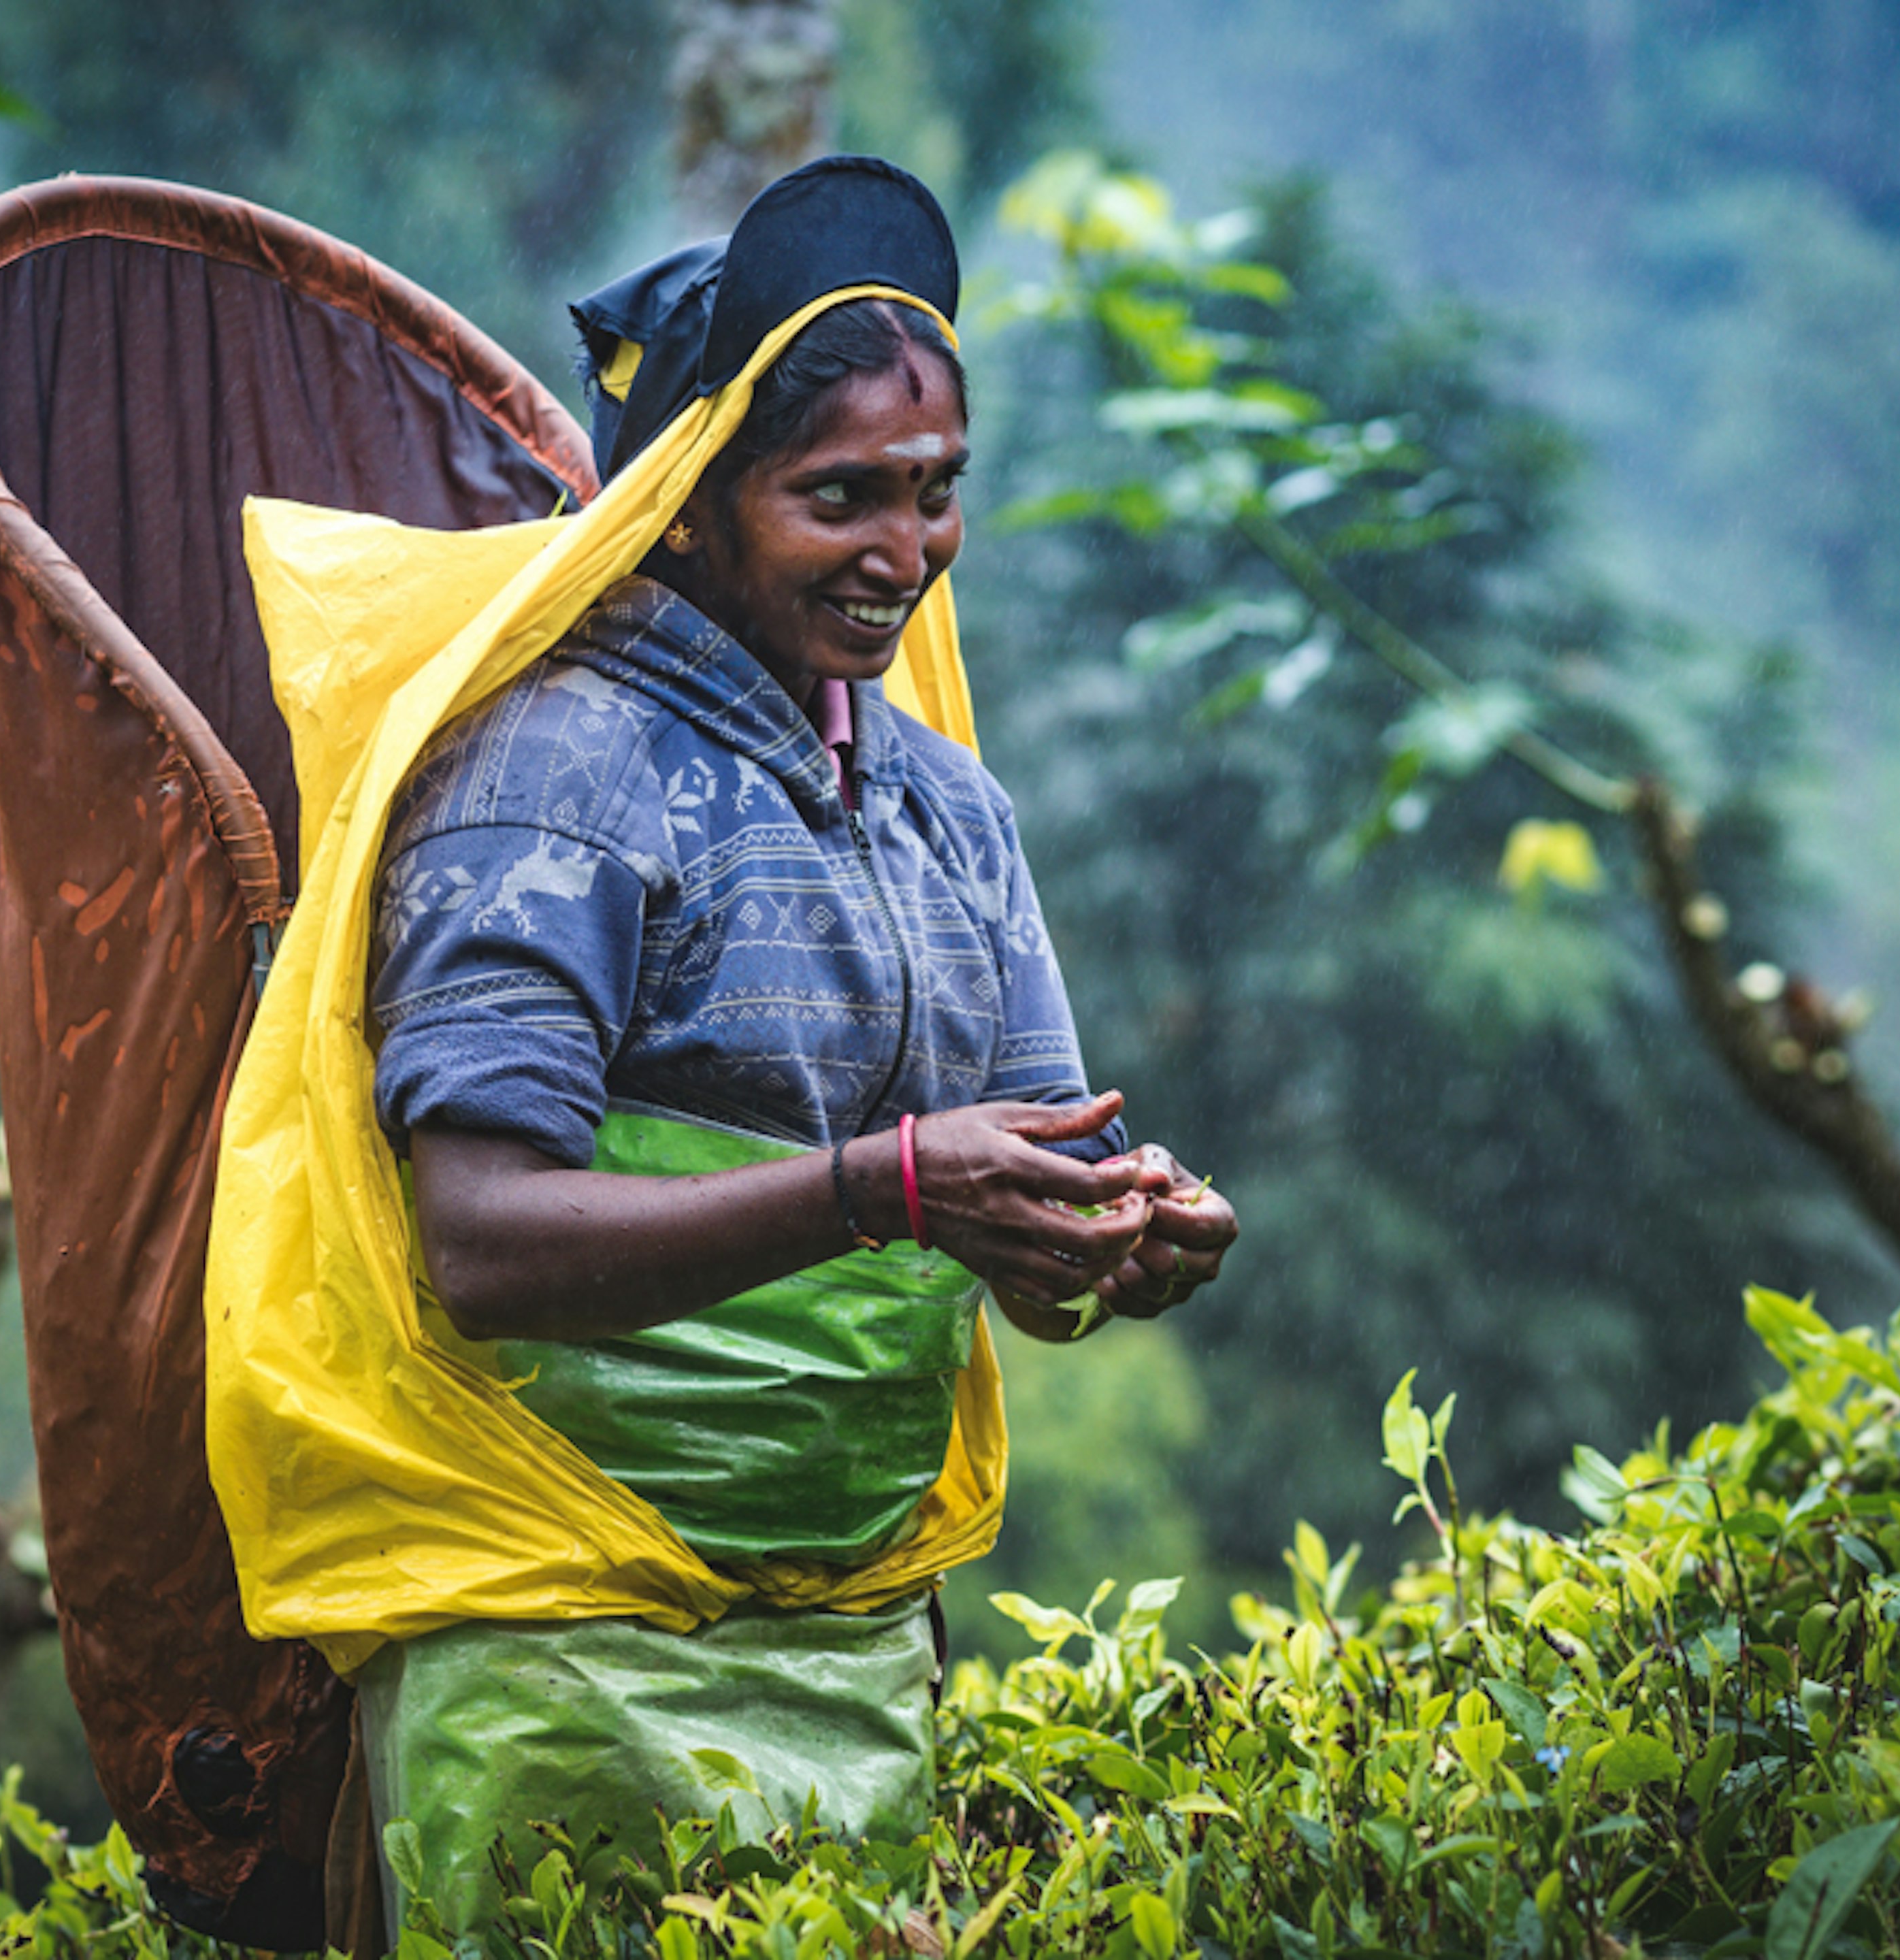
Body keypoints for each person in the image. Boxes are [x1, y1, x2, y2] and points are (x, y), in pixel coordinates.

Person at [341, 156, 1239, 1936]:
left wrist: (1121, 1244)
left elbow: (1018, 1228)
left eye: (935, 493)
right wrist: (884, 1185)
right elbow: (481, 1244)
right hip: (568, 1668)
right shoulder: (551, 774)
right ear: (687, 502)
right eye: (841, 497)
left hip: (857, 1666)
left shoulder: (947, 810)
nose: (904, 551)